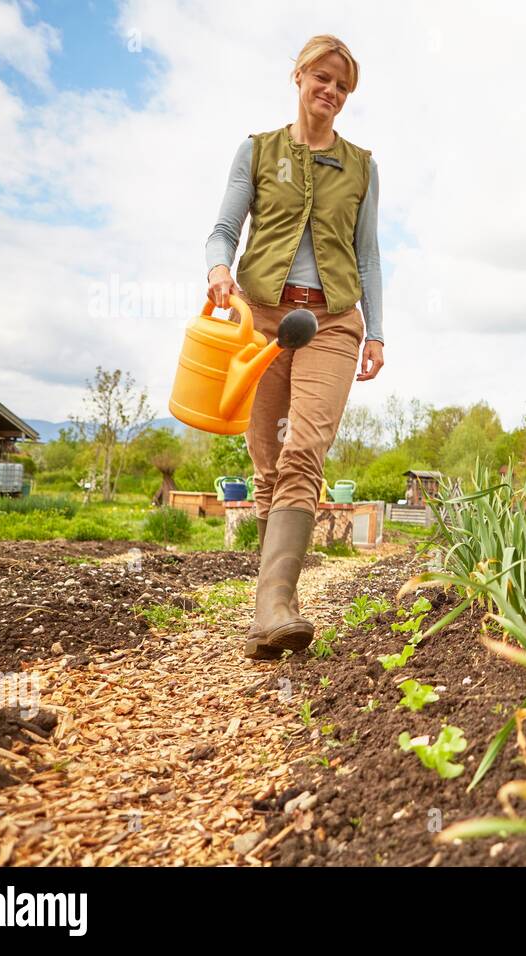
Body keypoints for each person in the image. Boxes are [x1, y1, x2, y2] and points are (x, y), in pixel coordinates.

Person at [204, 34, 384, 660]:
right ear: (300, 75)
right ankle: (267, 609)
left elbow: (369, 256)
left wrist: (378, 330)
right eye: (323, 78)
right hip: (261, 319)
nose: (331, 91)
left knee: (304, 450)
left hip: (333, 320)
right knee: (267, 458)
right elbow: (223, 230)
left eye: (342, 86)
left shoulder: (361, 166)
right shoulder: (257, 152)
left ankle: (278, 603)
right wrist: (218, 271)